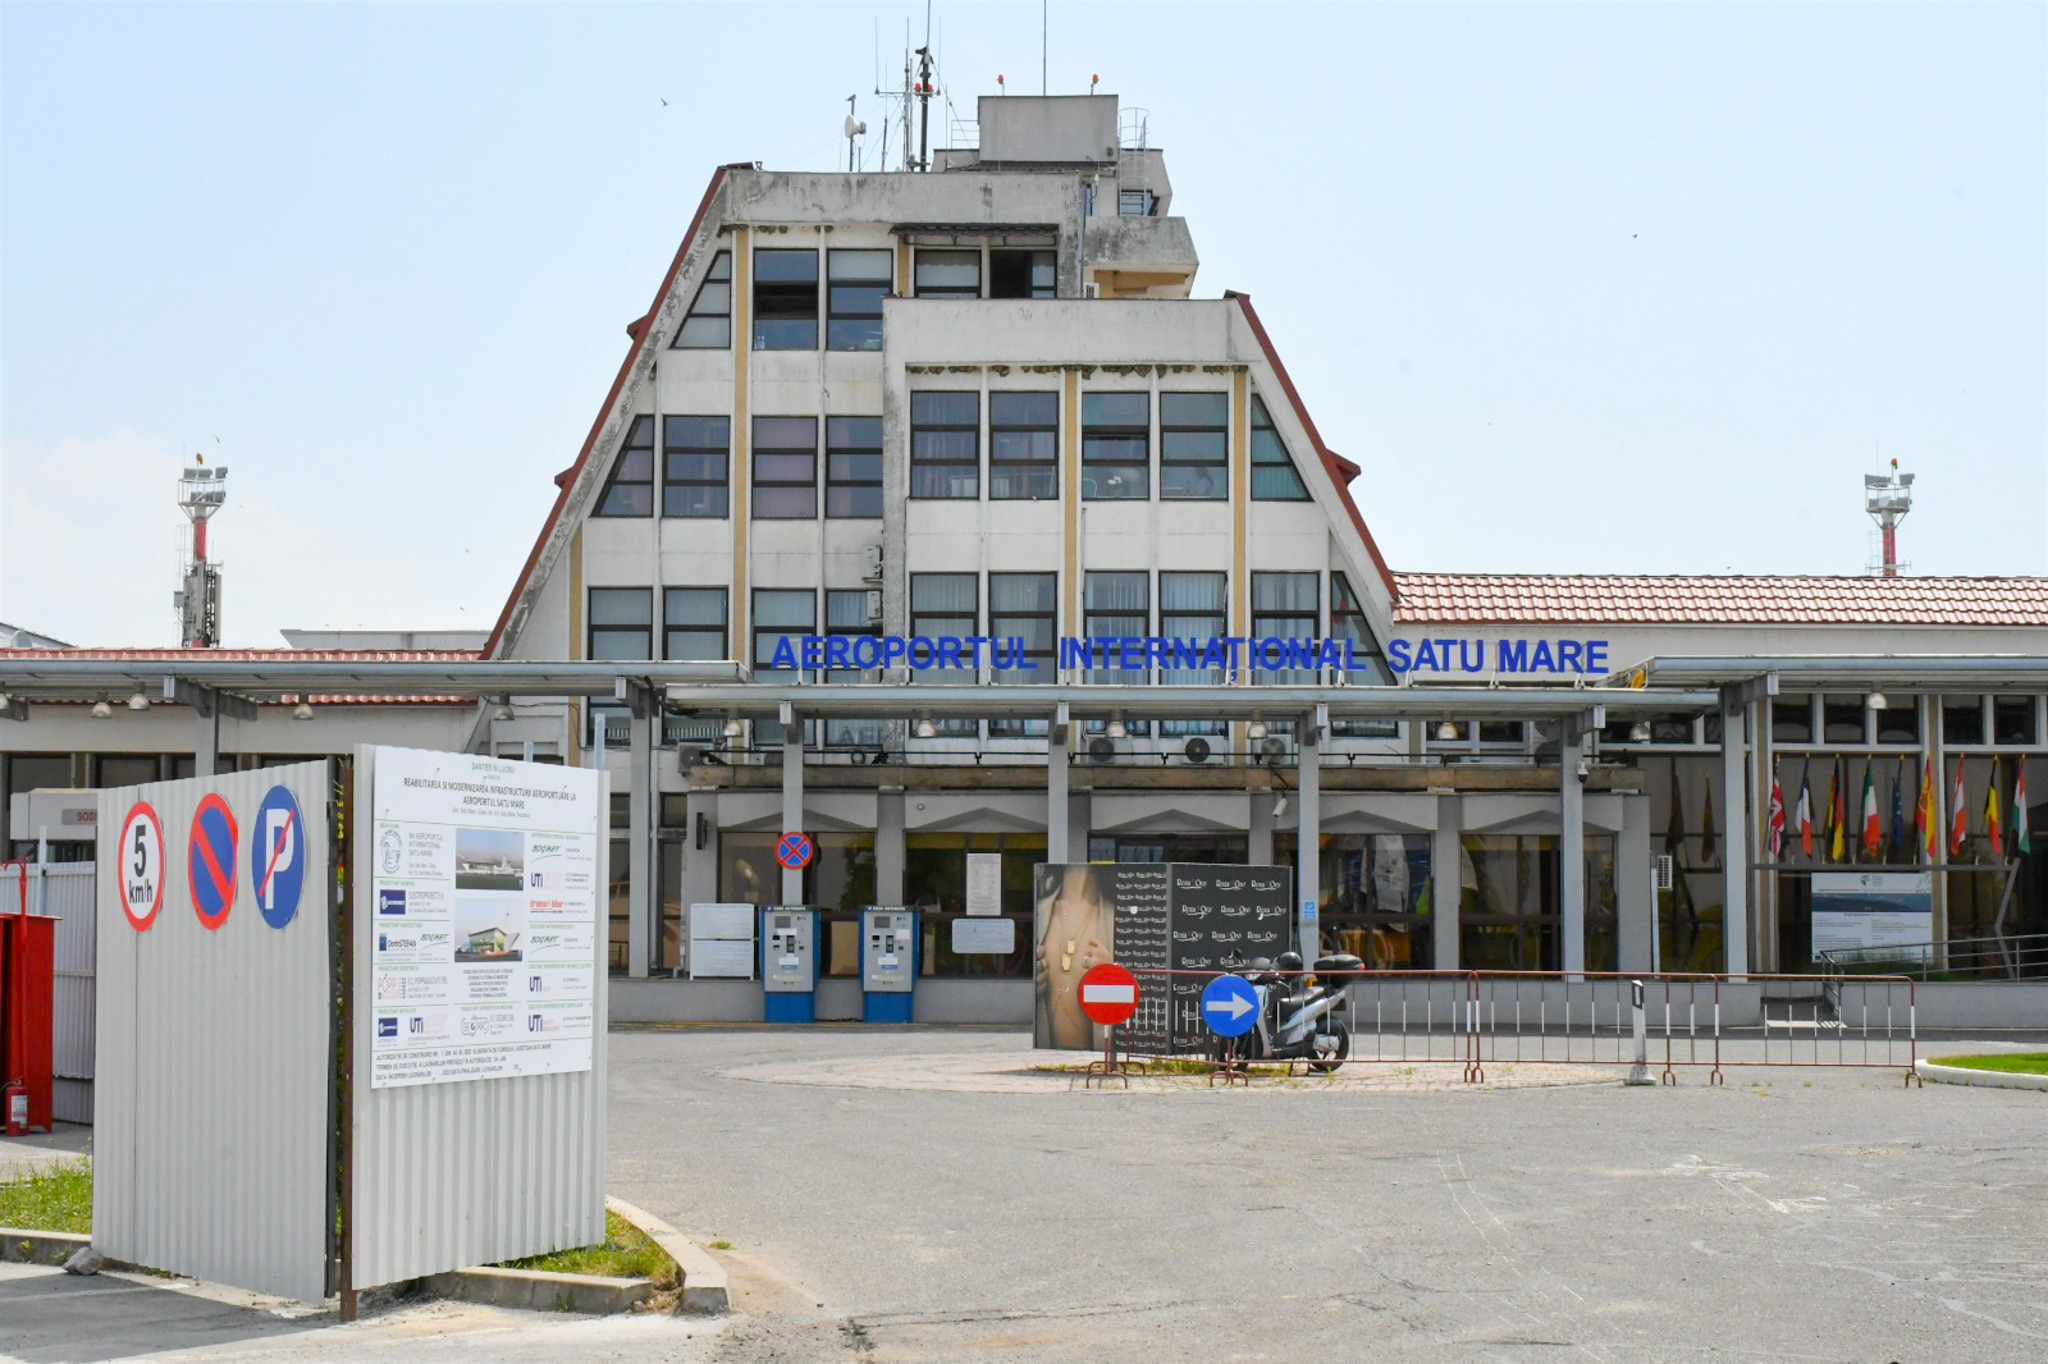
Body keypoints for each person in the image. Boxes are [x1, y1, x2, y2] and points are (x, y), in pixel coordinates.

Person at [1034, 865, 1112, 1050]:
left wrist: (1112, 976)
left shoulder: (1118, 917)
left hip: (1097, 1054)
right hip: (1047, 1056)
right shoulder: (1040, 911)